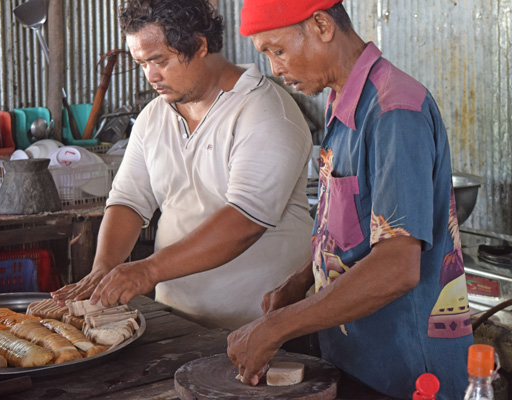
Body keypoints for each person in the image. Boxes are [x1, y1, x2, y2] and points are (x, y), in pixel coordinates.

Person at [227, 1, 474, 399]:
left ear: (322, 25)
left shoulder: (394, 110)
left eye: (277, 50)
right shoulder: (343, 99)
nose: (275, 68)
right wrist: (301, 281)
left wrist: (278, 327)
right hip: (359, 359)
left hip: (408, 373)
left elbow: (397, 267)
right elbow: (353, 224)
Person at [51, 0, 314, 331]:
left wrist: (148, 270)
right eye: (141, 64)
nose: (152, 76)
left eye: (159, 60)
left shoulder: (265, 111)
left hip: (265, 325)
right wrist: (104, 266)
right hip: (177, 321)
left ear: (200, 45)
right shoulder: (154, 116)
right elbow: (129, 200)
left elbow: (245, 220)